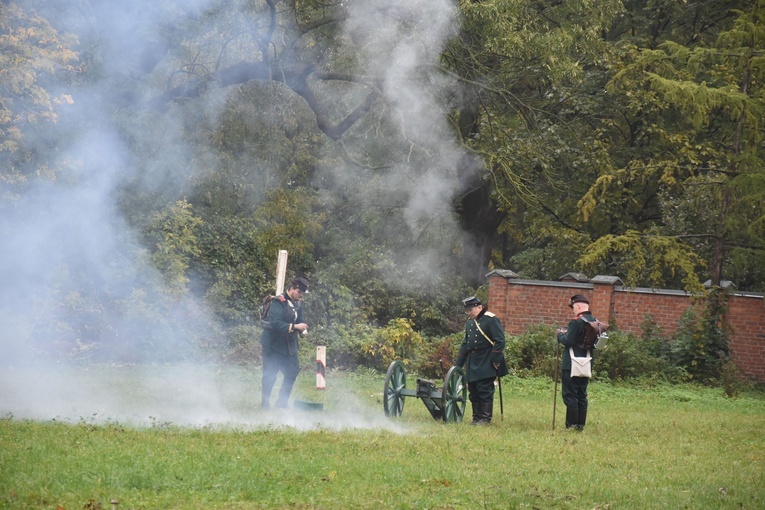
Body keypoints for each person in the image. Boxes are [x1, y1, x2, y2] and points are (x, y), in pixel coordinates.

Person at [455, 296, 509, 425]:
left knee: (484, 389)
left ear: (479, 307)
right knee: (473, 390)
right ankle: (476, 417)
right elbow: (465, 344)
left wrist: (495, 359)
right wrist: (458, 364)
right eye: (467, 311)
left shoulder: (491, 319)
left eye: (470, 310)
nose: (468, 313)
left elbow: (500, 340)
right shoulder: (470, 322)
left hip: (487, 359)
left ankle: (485, 418)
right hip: (473, 359)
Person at [260, 277, 310, 409]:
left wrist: (302, 329)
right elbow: (275, 323)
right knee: (270, 375)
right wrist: (295, 327)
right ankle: (265, 403)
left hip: (289, 345)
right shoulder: (278, 302)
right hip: (273, 344)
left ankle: (282, 402)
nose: (301, 295)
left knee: (292, 372)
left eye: (302, 293)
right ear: (292, 289)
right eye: (299, 292)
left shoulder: (298, 303)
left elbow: (299, 319)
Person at [556, 294, 596, 430]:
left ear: (578, 306)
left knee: (570, 394)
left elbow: (569, 341)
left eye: (573, 307)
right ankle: (580, 425)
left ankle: (571, 424)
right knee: (581, 394)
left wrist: (560, 335)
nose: (573, 310)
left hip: (572, 363)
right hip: (586, 363)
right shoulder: (593, 321)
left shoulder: (576, 322)